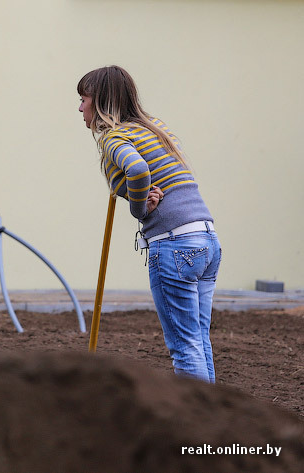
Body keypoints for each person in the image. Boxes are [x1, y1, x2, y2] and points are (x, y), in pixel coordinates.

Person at [77, 65, 222, 383]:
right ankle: (211, 411)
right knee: (198, 341)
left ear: (99, 102)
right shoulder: (155, 128)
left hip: (175, 246)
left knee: (185, 347)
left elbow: (138, 170)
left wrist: (140, 209)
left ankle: (193, 414)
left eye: (83, 99)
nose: (79, 108)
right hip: (206, 240)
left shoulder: (114, 137)